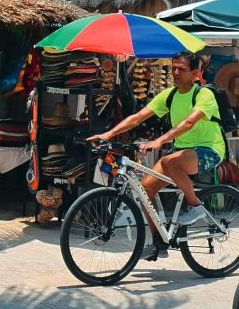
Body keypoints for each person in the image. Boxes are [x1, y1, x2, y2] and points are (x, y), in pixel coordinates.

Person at [89, 51, 226, 261]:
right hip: (181, 152)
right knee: (145, 189)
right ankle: (159, 243)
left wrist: (159, 141)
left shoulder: (204, 95)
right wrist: (108, 134)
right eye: (173, 68)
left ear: (196, 73)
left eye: (181, 69)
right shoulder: (169, 95)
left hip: (209, 150)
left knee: (170, 161)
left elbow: (189, 122)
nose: (176, 72)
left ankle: (196, 206)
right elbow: (137, 117)